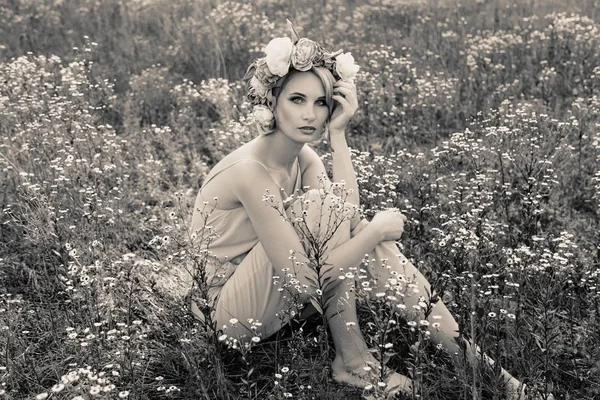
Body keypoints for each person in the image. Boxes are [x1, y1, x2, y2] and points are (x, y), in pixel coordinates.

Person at [189, 21, 546, 400]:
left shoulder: (305, 157)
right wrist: (375, 231)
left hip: (279, 296)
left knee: (357, 234)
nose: (310, 114)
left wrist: (339, 135)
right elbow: (303, 284)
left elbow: (342, 219)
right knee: (354, 229)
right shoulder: (250, 173)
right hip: (227, 316)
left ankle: (479, 365)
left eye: (321, 102)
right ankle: (354, 359)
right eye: (296, 99)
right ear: (272, 102)